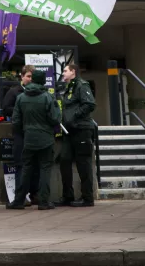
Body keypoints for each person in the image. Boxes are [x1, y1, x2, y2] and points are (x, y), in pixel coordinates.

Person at [6, 70, 61, 210]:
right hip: (46, 139)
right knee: (45, 169)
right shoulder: (48, 97)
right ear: (43, 82)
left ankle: (19, 201)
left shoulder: (21, 97)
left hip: (28, 138)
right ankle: (43, 201)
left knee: (25, 168)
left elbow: (16, 121)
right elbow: (55, 118)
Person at [56, 64, 96, 208]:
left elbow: (89, 104)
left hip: (81, 129)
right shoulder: (69, 87)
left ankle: (87, 197)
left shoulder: (81, 85)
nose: (63, 73)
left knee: (83, 164)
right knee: (64, 160)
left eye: (65, 70)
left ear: (73, 72)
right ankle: (68, 195)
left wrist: (74, 117)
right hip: (69, 131)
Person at [1, 65, 38, 205]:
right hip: (20, 133)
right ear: (22, 76)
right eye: (28, 76)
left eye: (32, 77)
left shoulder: (37, 92)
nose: (30, 79)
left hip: (33, 134)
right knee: (20, 165)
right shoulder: (14, 92)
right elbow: (6, 109)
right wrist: (21, 110)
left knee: (35, 166)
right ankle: (20, 197)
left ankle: (35, 194)